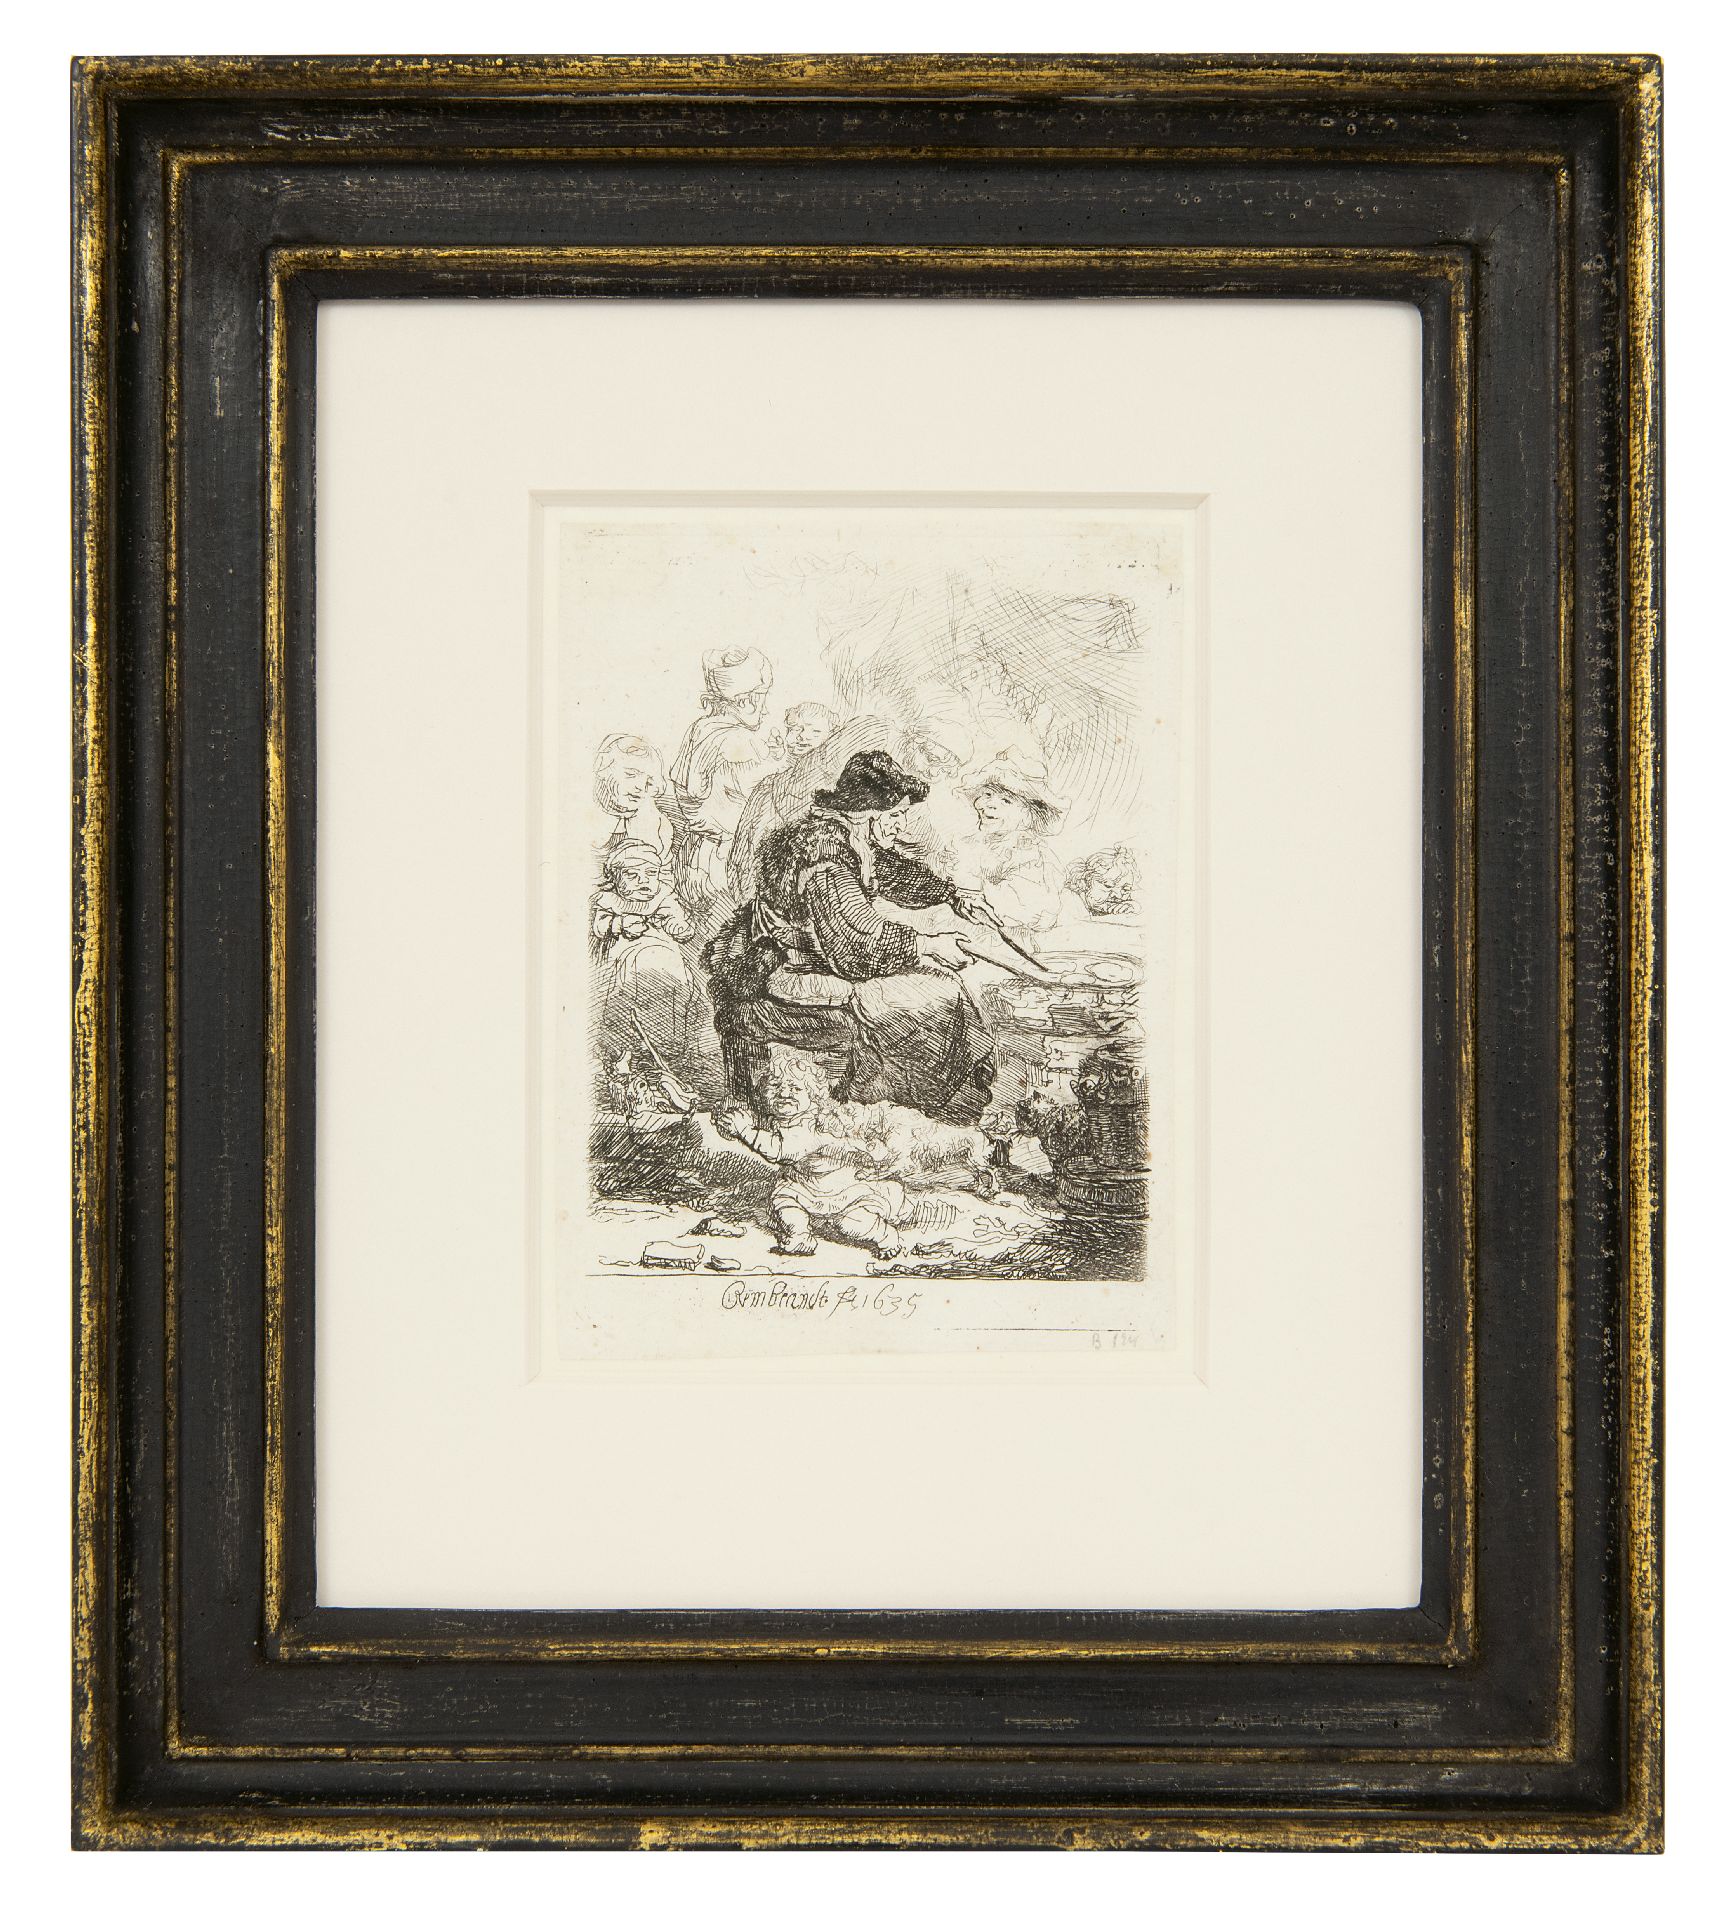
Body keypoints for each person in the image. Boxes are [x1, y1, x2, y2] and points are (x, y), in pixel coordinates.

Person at [704, 749, 1000, 1121]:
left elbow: (892, 873)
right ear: (866, 813)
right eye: (895, 815)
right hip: (776, 978)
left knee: (937, 992)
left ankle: (942, 1103)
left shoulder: (840, 837)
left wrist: (952, 895)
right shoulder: (824, 855)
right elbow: (855, 943)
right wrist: (925, 945)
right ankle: (913, 1111)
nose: (900, 826)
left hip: (806, 966)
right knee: (929, 1001)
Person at [664, 646, 783, 936]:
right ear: (744, 701)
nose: (765, 709)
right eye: (761, 699)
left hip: (692, 856)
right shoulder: (743, 742)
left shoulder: (699, 730)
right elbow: (769, 797)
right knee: (734, 940)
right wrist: (781, 759)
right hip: (727, 862)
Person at [589, 841, 700, 1067]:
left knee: (673, 992)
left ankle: (668, 1045)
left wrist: (678, 927)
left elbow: (676, 918)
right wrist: (620, 924)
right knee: (627, 994)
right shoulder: (609, 900)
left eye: (651, 873)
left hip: (665, 957)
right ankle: (626, 1049)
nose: (644, 881)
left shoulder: (663, 896)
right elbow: (600, 927)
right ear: (615, 878)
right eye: (632, 875)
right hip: (626, 956)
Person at [727, 700, 841, 899]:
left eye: (814, 731)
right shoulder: (768, 786)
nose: (802, 736)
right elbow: (745, 845)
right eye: (794, 729)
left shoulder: (837, 793)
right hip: (763, 894)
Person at [954, 747, 1069, 935]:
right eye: (987, 794)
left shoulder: (1028, 853)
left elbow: (1031, 912)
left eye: (1006, 801)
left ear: (1029, 815)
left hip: (1011, 933)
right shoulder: (973, 843)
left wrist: (974, 893)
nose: (990, 804)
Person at [590, 733, 670, 871]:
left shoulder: (655, 821)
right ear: (603, 769)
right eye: (631, 774)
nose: (641, 787)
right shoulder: (592, 816)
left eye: (649, 780)